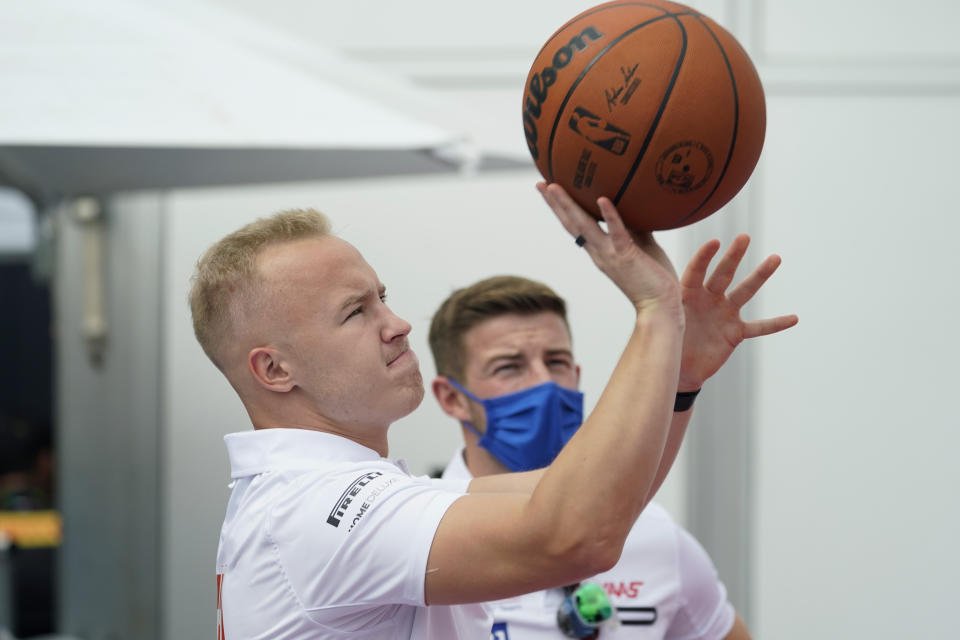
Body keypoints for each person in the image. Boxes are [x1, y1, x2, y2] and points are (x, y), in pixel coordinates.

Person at [188, 183, 781, 639]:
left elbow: (589, 500)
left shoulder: (325, 494)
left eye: (383, 299)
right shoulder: (320, 509)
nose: (396, 326)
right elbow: (576, 535)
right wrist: (654, 311)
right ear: (274, 370)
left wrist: (675, 377)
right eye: (355, 312)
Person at [429, 240, 797, 638]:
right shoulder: (420, 536)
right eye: (509, 367)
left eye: (556, 362)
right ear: (452, 398)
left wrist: (682, 379)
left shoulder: (656, 538)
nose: (545, 383)